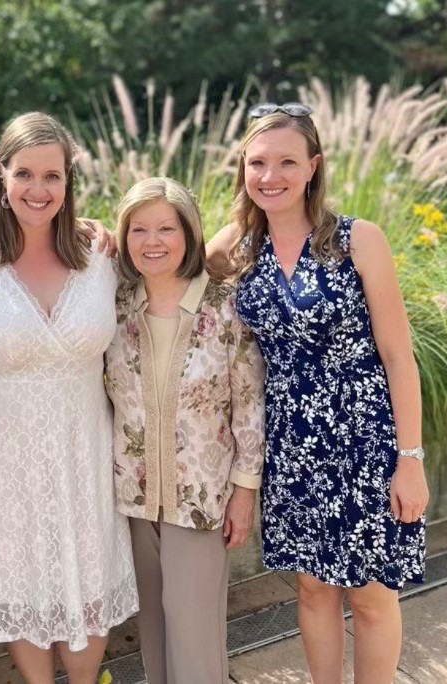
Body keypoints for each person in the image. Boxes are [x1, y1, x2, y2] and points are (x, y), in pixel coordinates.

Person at [205, 103, 429, 684]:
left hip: (363, 440)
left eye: (285, 161)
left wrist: (411, 461)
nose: (270, 176)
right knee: (311, 587)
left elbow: (399, 358)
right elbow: (163, 258)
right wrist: (98, 238)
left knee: (372, 592)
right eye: (257, 163)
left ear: (313, 167)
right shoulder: (237, 247)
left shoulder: (359, 240)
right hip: (290, 443)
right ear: (243, 169)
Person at [0, 112, 138, 684]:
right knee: (19, 581)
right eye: (25, 174)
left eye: (52, 176)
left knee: (90, 577)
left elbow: (178, 271)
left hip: (85, 446)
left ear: (68, 182)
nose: (39, 189)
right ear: (1, 176)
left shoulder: (102, 256)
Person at [104, 177, 266, 684]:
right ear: (124, 237)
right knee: (153, 627)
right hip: (134, 495)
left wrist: (245, 493)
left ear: (190, 234)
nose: (152, 241)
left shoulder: (225, 307)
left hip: (202, 498)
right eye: (139, 230)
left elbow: (250, 405)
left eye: (166, 229)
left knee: (194, 635)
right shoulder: (115, 304)